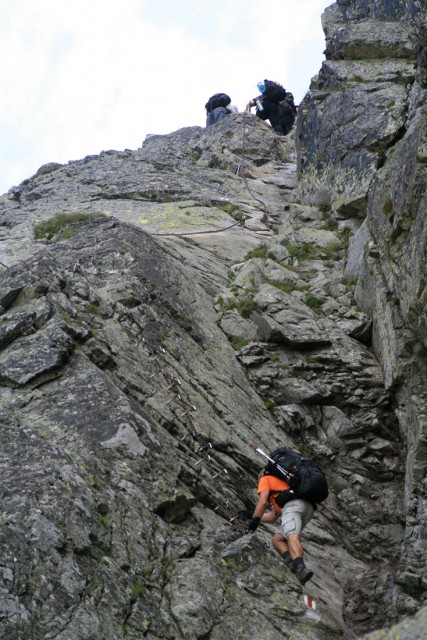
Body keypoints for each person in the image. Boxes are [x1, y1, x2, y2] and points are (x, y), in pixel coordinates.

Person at [246, 468, 314, 585]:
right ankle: (291, 561)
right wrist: (251, 514)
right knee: (278, 539)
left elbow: (262, 502)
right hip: (307, 508)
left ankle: (300, 567)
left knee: (292, 535)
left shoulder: (265, 479)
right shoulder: (283, 488)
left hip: (293, 506)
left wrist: (253, 524)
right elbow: (272, 517)